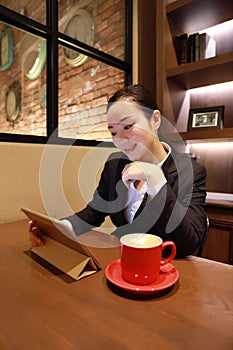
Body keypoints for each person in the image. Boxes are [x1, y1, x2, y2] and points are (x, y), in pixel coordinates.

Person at [29, 84, 207, 258]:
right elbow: (94, 213)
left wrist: (156, 180)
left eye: (128, 126)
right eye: (113, 132)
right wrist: (57, 229)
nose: (120, 140)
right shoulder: (115, 165)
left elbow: (188, 244)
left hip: (163, 268)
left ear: (155, 120)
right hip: (119, 260)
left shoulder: (190, 172)